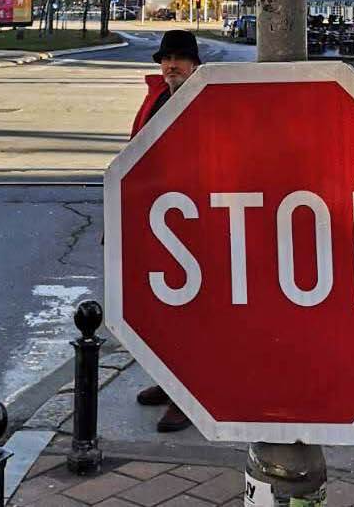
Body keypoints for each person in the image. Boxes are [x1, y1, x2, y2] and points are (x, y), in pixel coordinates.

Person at [131, 28, 201, 433]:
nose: (170, 65)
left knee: (193, 313)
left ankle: (187, 394)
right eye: (165, 59)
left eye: (178, 58)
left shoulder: (206, 101)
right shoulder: (157, 97)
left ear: (194, 64)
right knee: (163, 311)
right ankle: (169, 379)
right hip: (156, 220)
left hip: (194, 225)